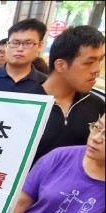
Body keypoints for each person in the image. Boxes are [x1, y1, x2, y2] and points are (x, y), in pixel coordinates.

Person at [27, 25, 105, 165]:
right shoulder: (25, 103)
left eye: (100, 60)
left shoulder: (98, 105)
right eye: (89, 62)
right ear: (60, 65)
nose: (96, 70)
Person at [0, 19, 47, 92]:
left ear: (39, 46)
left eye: (28, 43)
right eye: (15, 43)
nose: (20, 49)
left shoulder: (46, 84)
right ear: (7, 44)